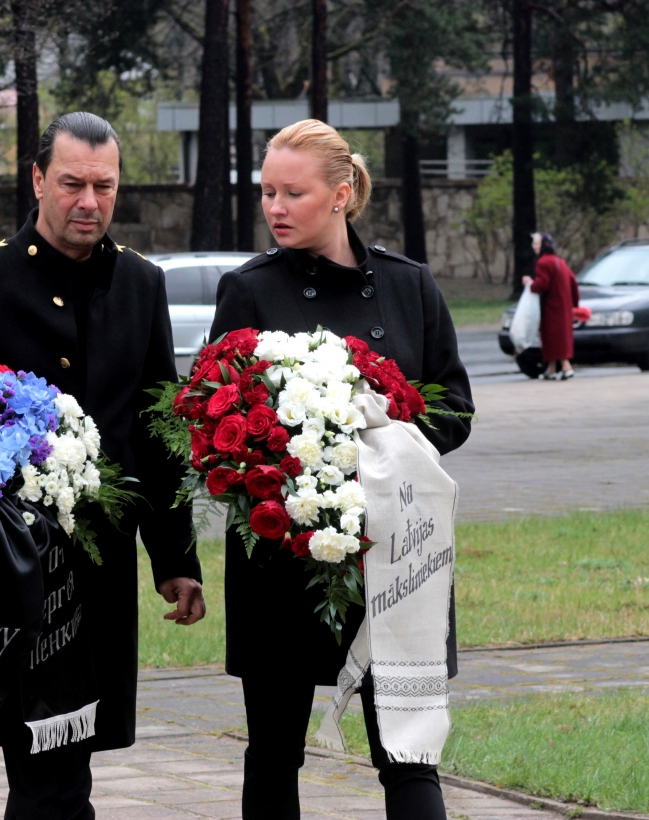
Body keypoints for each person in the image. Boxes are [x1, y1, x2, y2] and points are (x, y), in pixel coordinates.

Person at [0, 112, 206, 820]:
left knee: (64, 768)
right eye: (72, 183)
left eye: (104, 186)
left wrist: (176, 558)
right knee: (48, 774)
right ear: (39, 179)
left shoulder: (141, 283)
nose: (89, 201)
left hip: (100, 570)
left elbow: (153, 431)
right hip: (12, 569)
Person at [209, 119, 474, 820]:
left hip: (394, 558)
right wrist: (298, 462)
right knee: (272, 755)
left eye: (292, 192)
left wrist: (380, 439)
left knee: (408, 756)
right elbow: (212, 426)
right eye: (268, 192)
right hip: (280, 561)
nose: (275, 207)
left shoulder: (408, 285)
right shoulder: (248, 290)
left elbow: (456, 408)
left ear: (341, 192)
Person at [522, 232, 579, 380]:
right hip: (564, 307)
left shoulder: (543, 262)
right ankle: (551, 369)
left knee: (552, 337)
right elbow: (573, 282)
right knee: (559, 337)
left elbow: (541, 284)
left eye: (536, 244)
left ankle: (566, 368)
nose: (534, 247)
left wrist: (530, 283)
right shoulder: (560, 261)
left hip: (551, 307)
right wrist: (574, 304)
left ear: (543, 246)